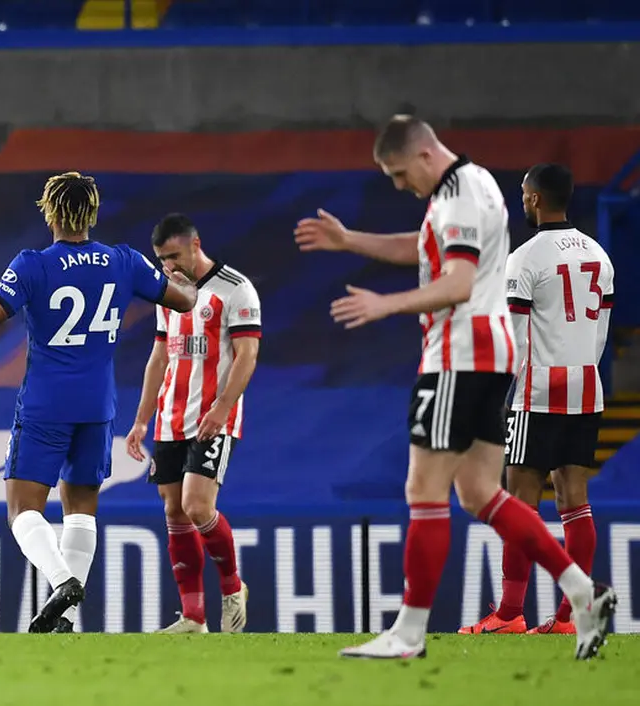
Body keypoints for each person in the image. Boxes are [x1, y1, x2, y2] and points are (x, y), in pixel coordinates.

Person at [294, 115, 615, 660]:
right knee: (481, 495)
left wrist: (383, 304)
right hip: (502, 362)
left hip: (459, 356)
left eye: (398, 175)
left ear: (422, 156)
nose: (400, 186)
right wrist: (350, 241)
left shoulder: (459, 195)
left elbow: (458, 283)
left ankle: (409, 632)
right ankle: (584, 595)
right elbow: (425, 250)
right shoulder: (474, 185)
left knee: (424, 490)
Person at [0, 171, 197, 633]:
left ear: (50, 212)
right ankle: (65, 620)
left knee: (22, 510)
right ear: (92, 213)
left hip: (46, 404)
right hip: (98, 406)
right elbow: (183, 301)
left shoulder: (33, 265)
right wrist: (184, 281)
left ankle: (61, 582)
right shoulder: (124, 260)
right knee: (81, 509)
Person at [459, 164, 614, 636]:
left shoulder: (525, 259)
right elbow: (601, 333)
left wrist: (500, 390)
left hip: (537, 389)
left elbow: (518, 338)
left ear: (534, 199)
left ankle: (509, 614)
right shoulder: (600, 256)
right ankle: (570, 619)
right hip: (587, 385)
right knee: (575, 501)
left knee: (521, 503)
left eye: (525, 194)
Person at [124, 214, 259, 634]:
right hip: (170, 416)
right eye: (162, 259)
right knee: (174, 510)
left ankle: (233, 588)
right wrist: (141, 419)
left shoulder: (236, 289)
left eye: (174, 256)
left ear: (195, 245)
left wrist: (221, 408)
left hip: (213, 417)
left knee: (198, 505)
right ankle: (193, 617)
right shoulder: (169, 292)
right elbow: (159, 357)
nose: (169, 266)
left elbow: (247, 355)